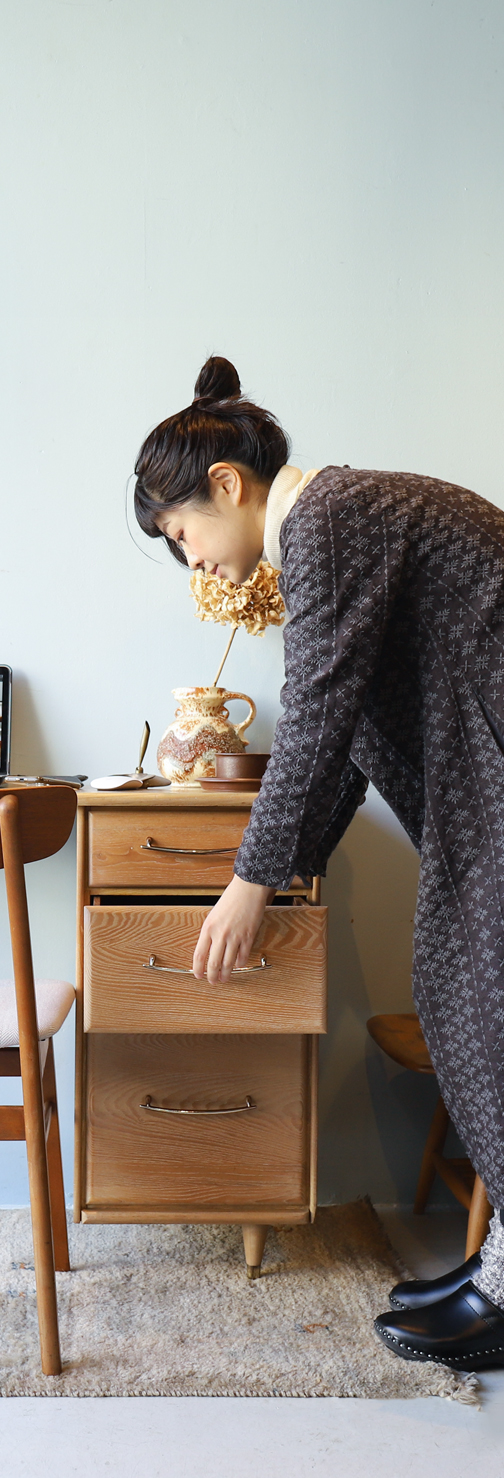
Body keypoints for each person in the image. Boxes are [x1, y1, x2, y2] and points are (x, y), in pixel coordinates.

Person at [132, 355, 504, 1371]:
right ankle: (498, 1268)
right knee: (466, 994)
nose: (197, 566)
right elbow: (337, 740)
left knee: (479, 1002)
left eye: (183, 538)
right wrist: (281, 871)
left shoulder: (330, 517)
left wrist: (253, 885)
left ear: (225, 486)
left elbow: (325, 712)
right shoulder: (332, 524)